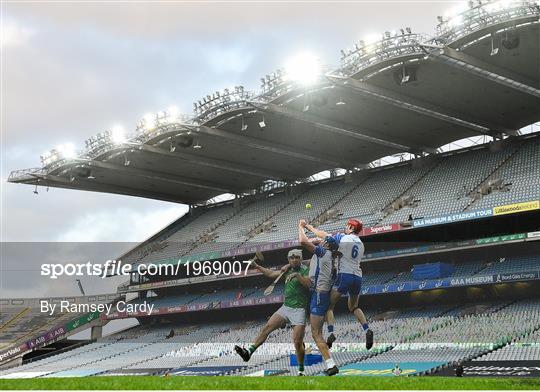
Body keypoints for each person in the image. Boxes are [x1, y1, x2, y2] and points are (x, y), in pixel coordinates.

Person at [234, 250, 309, 375]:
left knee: (297, 342)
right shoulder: (286, 270)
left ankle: (301, 371)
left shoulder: (305, 269)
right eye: (291, 258)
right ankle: (248, 353)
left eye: (297, 257)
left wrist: (297, 275)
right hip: (286, 307)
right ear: (288, 260)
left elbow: (308, 284)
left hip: (299, 309)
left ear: (301, 259)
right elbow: (271, 274)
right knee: (266, 328)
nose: (294, 259)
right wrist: (257, 266)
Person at [303, 218, 373, 350]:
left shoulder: (343, 237)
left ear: (351, 228)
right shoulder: (361, 244)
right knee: (353, 307)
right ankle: (367, 330)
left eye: (347, 226)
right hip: (358, 276)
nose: (345, 228)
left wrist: (309, 227)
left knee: (328, 306)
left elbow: (322, 234)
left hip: (344, 275)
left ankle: (331, 333)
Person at [289, 219, 339, 376]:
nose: (320, 242)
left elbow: (302, 241)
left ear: (326, 245)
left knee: (316, 334)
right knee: (317, 333)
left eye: (323, 241)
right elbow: (313, 265)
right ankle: (330, 361)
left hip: (318, 295)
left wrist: (301, 226)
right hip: (321, 294)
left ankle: (331, 365)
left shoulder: (323, 252)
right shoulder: (329, 256)